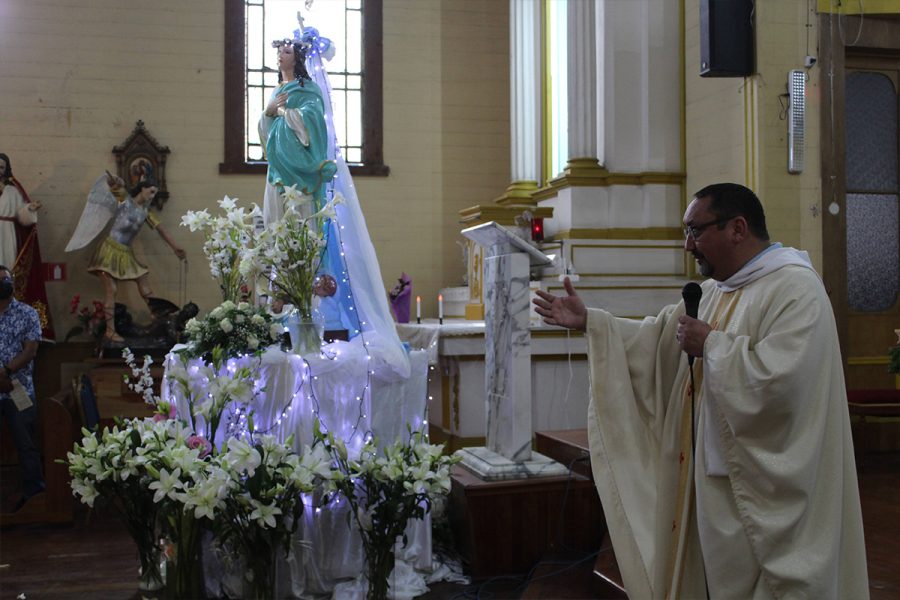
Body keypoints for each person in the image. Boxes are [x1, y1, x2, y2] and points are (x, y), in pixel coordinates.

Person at [533, 183, 868, 599]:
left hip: (764, 497)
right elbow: (658, 343)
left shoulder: (796, 290)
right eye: (685, 233)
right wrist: (593, 323)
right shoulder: (713, 291)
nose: (688, 245)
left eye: (695, 231)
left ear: (737, 228)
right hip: (707, 485)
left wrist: (712, 346)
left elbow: (786, 384)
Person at [66, 173, 186, 342]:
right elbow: (110, 183)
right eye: (151, 192)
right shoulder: (125, 201)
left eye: (155, 193)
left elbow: (162, 230)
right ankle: (110, 330)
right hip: (109, 250)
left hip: (125, 253)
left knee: (142, 279)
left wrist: (176, 248)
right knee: (111, 290)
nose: (152, 196)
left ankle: (157, 316)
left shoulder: (146, 213)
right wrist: (117, 181)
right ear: (142, 189)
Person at [0, 265, 45, 511]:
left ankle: (35, 493)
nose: (2, 284)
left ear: (12, 282)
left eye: (5, 280)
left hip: (18, 388)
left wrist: (6, 372)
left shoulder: (27, 313)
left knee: (26, 442)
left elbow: (31, 350)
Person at [0, 153, 53, 339]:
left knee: (7, 269)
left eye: (2, 167)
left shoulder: (12, 191)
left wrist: (29, 209)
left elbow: (22, 217)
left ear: (6, 169)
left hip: (7, 233)